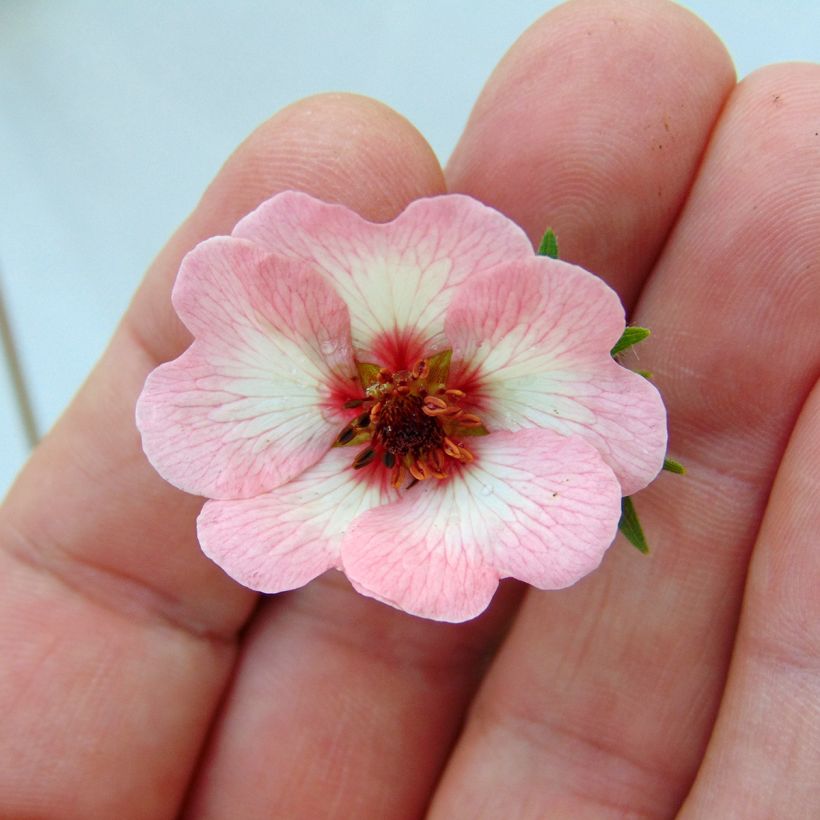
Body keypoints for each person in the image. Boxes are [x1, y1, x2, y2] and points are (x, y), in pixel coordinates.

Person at [1, 0, 817, 816]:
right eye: (398, 410)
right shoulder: (348, 411)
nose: (398, 414)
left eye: (406, 406)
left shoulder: (482, 384)